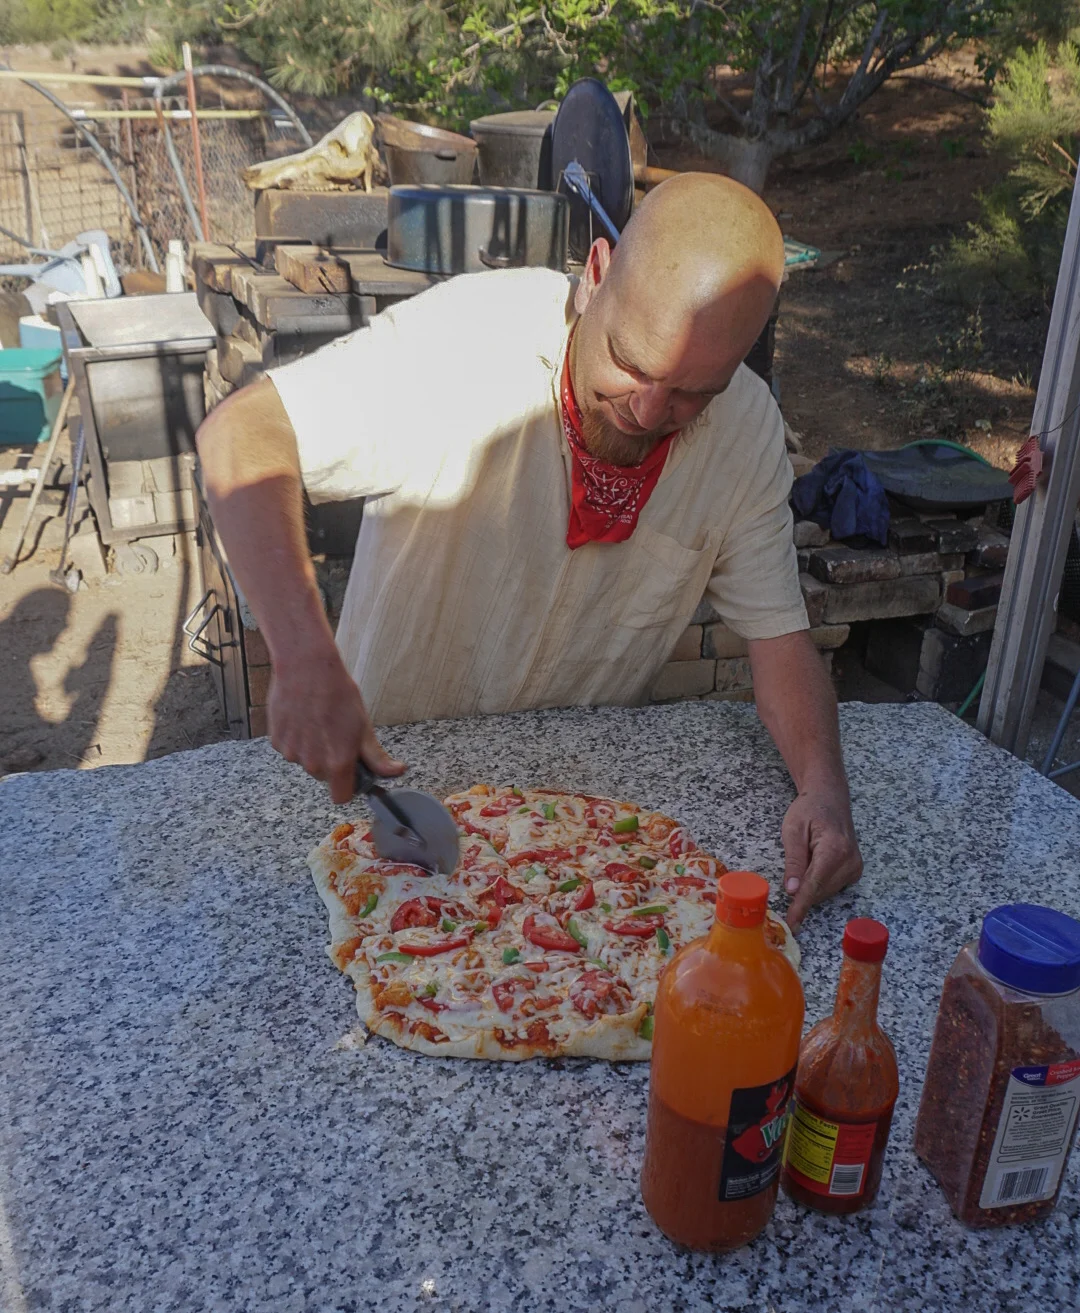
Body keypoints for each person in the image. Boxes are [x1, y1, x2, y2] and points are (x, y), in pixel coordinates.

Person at [196, 172, 862, 927]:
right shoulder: (466, 340)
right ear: (596, 274)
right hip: (393, 792)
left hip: (583, 826)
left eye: (690, 395)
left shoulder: (744, 427)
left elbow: (781, 639)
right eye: (632, 363)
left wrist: (823, 790)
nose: (648, 412)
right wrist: (303, 652)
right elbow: (240, 433)